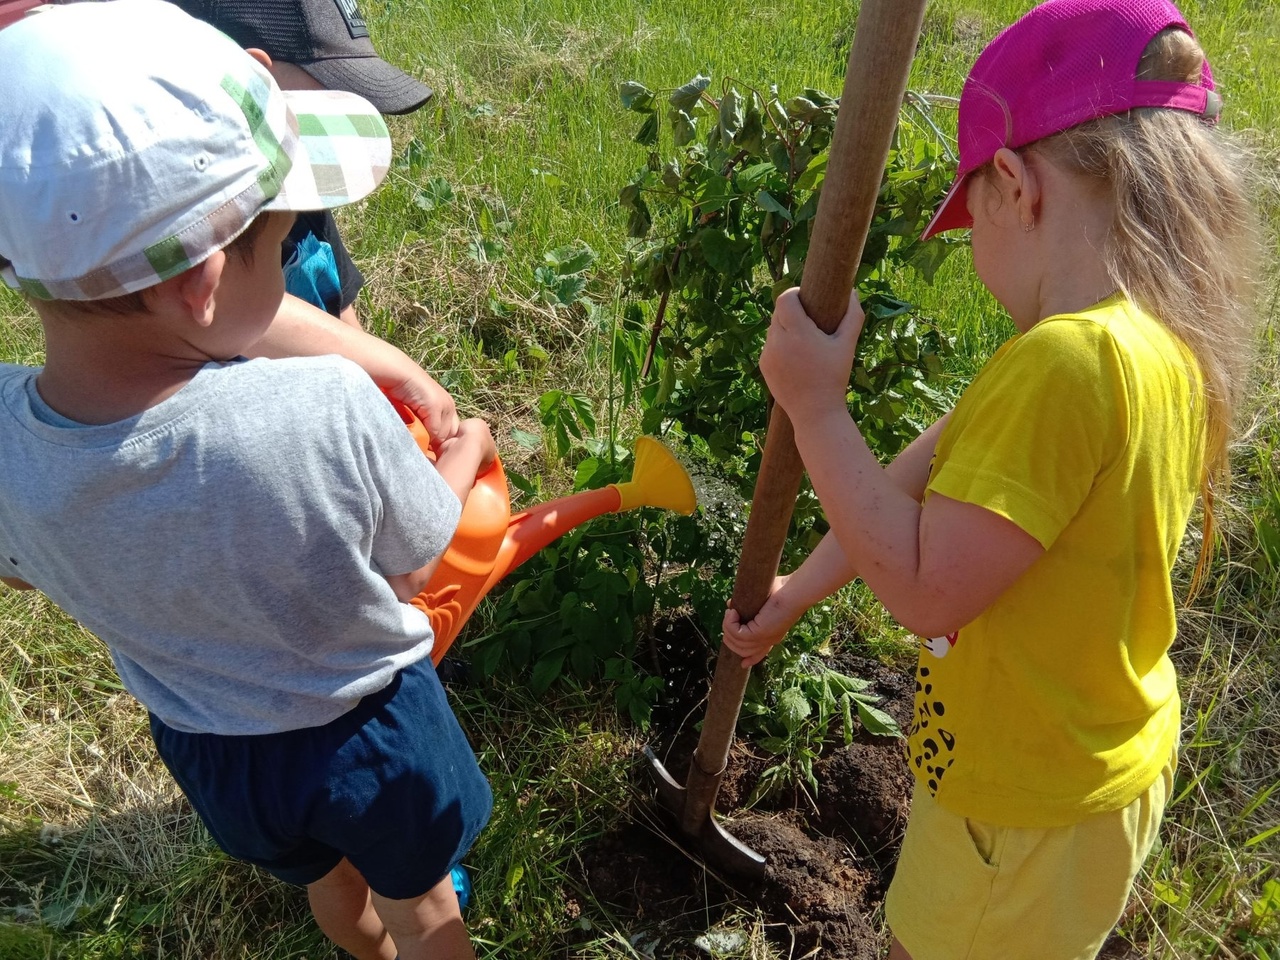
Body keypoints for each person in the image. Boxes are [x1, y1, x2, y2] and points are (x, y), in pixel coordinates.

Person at [721, 1, 1261, 959]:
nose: (974, 253)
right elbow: (917, 485)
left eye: (971, 219)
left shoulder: (1065, 366)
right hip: (1090, 772)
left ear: (1015, 184)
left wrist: (815, 406)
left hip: (1018, 817)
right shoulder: (1154, 342)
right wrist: (794, 596)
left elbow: (927, 581)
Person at [0, 3, 494, 958]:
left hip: (213, 754)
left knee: (326, 878)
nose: (294, 257)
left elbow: (25, 568)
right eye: (285, 243)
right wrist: (463, 447)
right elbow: (425, 549)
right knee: (425, 903)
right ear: (204, 283)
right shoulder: (322, 410)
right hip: (370, 734)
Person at [167, 0, 435, 328]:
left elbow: (344, 315)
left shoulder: (301, 189)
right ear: (251, 77)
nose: (347, 116)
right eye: (335, 93)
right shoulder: (187, 239)